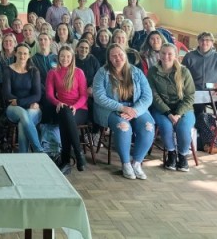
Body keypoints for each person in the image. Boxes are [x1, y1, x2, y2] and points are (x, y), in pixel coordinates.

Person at [93, 44, 154, 180]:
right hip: (112, 109)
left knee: (148, 127)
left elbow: (147, 96)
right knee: (124, 127)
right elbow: (99, 96)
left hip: (135, 108)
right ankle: (126, 163)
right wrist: (122, 108)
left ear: (125, 55)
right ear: (109, 58)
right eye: (113, 56)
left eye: (120, 54)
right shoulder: (102, 73)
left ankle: (137, 162)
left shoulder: (136, 72)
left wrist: (135, 111)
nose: (118, 58)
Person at [147, 43, 196, 172]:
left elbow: (190, 96)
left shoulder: (184, 72)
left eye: (170, 54)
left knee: (183, 127)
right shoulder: (153, 71)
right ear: (159, 54)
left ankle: (183, 156)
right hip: (161, 109)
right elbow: (154, 96)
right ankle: (171, 154)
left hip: (184, 109)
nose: (166, 56)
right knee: (166, 127)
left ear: (175, 56)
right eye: (163, 53)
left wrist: (178, 114)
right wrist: (168, 113)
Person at [46, 46, 89, 172]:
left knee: (66, 118)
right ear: (58, 57)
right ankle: (78, 155)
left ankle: (66, 161)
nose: (65, 59)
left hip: (80, 109)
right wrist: (57, 102)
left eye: (68, 56)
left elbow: (84, 95)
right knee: (65, 113)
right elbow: (49, 94)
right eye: (62, 56)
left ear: (72, 58)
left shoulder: (78, 72)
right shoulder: (52, 72)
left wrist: (75, 106)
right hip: (62, 107)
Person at [2, 43, 43, 154]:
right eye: (19, 53)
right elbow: (7, 94)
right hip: (13, 109)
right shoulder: (8, 70)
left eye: (25, 53)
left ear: (29, 55)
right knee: (23, 114)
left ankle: (23, 155)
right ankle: (39, 150)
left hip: (29, 108)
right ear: (15, 53)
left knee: (23, 122)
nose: (22, 56)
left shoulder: (34, 71)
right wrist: (27, 103)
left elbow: (37, 95)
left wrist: (20, 101)